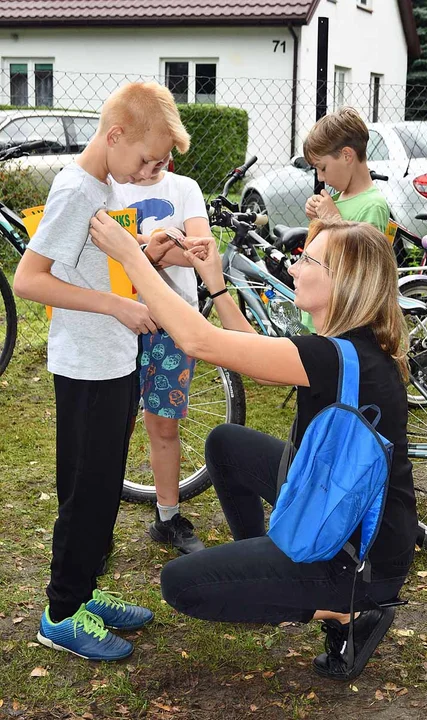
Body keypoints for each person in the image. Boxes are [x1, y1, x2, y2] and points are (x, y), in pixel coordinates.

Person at [89, 211, 418, 681]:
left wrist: (130, 257)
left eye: (308, 260)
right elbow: (260, 362)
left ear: (343, 283)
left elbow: (198, 340)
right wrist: (215, 283)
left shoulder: (334, 356)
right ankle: (272, 567)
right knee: (226, 443)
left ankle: (339, 611)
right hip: (336, 507)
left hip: (358, 560)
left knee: (181, 585)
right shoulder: (344, 346)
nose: (294, 267)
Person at [13, 81, 191, 661]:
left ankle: (85, 591)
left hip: (115, 360)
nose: (149, 172)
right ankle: (61, 612)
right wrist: (114, 305)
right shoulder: (75, 189)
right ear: (114, 136)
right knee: (85, 493)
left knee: (104, 484)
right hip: (86, 366)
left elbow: (98, 259)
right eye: (146, 160)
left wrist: (147, 245)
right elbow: (29, 279)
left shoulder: (106, 182)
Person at [112, 164, 210, 555]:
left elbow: (200, 251)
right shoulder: (110, 185)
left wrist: (138, 248)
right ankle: (95, 529)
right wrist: (157, 246)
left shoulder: (185, 186)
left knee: (164, 427)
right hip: (119, 320)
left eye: (162, 157)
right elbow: (98, 246)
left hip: (173, 324)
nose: (154, 165)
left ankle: (167, 518)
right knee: (110, 428)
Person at [302, 107, 390, 333]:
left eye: (322, 168)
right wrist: (317, 220)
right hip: (318, 319)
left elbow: (365, 273)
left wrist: (331, 219)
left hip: (341, 326)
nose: (321, 178)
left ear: (347, 155)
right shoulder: (337, 199)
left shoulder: (373, 205)